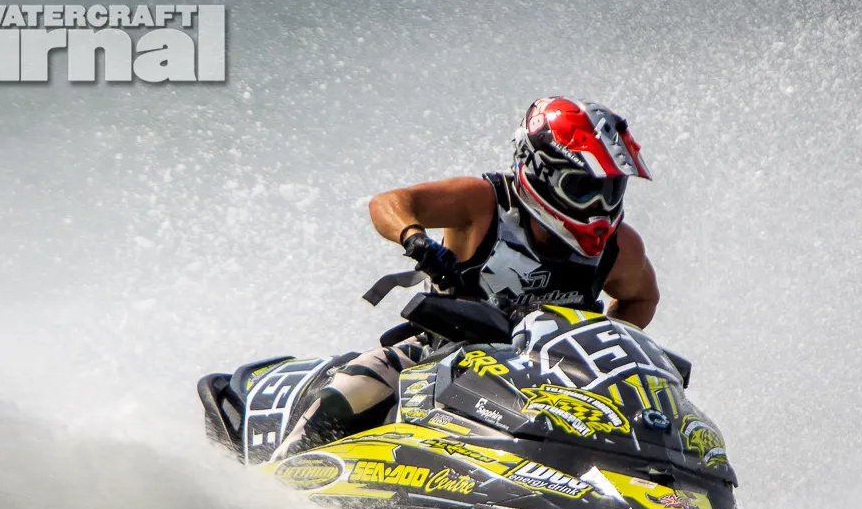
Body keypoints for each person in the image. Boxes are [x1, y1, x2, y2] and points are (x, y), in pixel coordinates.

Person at [271, 96, 660, 461]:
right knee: (351, 392)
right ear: (540, 172)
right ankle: (281, 475)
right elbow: (388, 203)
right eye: (584, 188)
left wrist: (597, 344)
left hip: (550, 383)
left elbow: (641, 298)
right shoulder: (483, 203)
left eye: (611, 190)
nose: (599, 208)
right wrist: (415, 239)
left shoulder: (621, 247)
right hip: (439, 357)